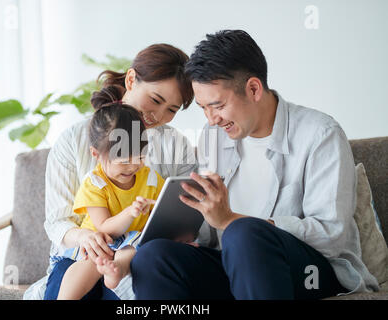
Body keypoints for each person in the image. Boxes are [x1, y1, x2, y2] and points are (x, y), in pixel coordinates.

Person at [130, 30, 380, 299]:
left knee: (243, 234)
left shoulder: (320, 133)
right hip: (237, 266)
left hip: (311, 273)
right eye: (203, 108)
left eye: (218, 105)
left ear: (253, 89)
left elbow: (331, 236)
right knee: (153, 256)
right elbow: (212, 228)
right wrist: (184, 227)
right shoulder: (213, 135)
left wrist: (231, 220)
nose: (212, 119)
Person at [23, 43, 196, 300]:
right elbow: (57, 221)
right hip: (81, 253)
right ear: (130, 80)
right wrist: (85, 237)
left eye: (172, 109)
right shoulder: (75, 140)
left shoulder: (177, 145)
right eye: (156, 100)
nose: (158, 115)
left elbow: (184, 210)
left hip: (138, 256)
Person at [55, 101, 165, 299]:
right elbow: (104, 227)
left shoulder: (150, 178)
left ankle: (116, 270)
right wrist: (130, 213)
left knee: (132, 249)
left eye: (139, 157)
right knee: (91, 263)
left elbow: (161, 212)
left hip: (131, 243)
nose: (132, 167)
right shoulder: (95, 183)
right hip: (101, 241)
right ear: (96, 154)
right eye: (123, 161)